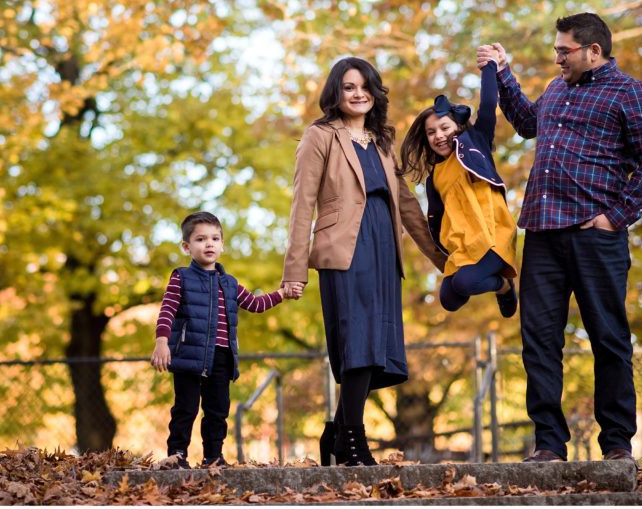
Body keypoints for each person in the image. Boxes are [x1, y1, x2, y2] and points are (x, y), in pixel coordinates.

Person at [479, 12, 642, 463]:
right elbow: (527, 123)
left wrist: (616, 216)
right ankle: (548, 443)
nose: (557, 57)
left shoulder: (629, 92)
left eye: (564, 51)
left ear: (593, 51)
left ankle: (617, 444)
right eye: (556, 50)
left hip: (595, 236)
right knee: (539, 341)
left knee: (608, 337)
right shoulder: (556, 90)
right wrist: (504, 73)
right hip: (542, 233)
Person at [281, 57, 447, 467]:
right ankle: (352, 442)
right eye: (349, 87)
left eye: (365, 87)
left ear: (375, 92)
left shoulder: (382, 141)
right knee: (358, 341)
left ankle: (337, 432)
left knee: (376, 345)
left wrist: (445, 261)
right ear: (335, 93)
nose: (358, 94)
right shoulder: (319, 136)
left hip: (383, 247)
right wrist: (295, 270)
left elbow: (407, 206)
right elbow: (302, 204)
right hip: (343, 249)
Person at [151, 211, 301, 469]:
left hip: (222, 356)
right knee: (185, 408)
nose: (208, 244)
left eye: (214, 238)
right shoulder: (181, 277)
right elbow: (167, 310)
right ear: (187, 247)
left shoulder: (230, 283)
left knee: (217, 410)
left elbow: (255, 304)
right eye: (200, 239)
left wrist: (282, 294)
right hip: (189, 355)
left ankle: (214, 457)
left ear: (222, 245)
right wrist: (162, 342)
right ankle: (177, 454)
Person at [398, 61, 518, 317]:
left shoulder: (475, 144)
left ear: (459, 127)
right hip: (464, 247)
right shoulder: (435, 177)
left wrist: (490, 67)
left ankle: (504, 286)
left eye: (444, 128)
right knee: (449, 300)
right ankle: (490, 280)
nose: (438, 136)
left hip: (492, 237)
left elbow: (487, 106)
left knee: (465, 283)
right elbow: (437, 219)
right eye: (431, 132)